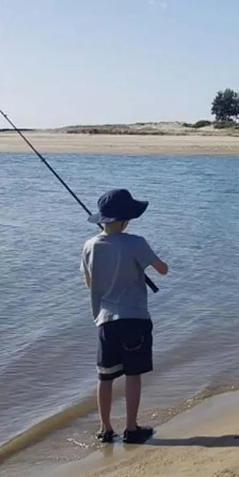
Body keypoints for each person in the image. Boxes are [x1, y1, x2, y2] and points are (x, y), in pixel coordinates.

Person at [81, 188, 169, 444]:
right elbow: (163, 269)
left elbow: (89, 283)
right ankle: (131, 428)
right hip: (134, 319)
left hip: (105, 321)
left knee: (105, 376)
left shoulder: (89, 246)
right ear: (125, 220)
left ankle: (105, 429)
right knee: (133, 374)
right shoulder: (136, 243)